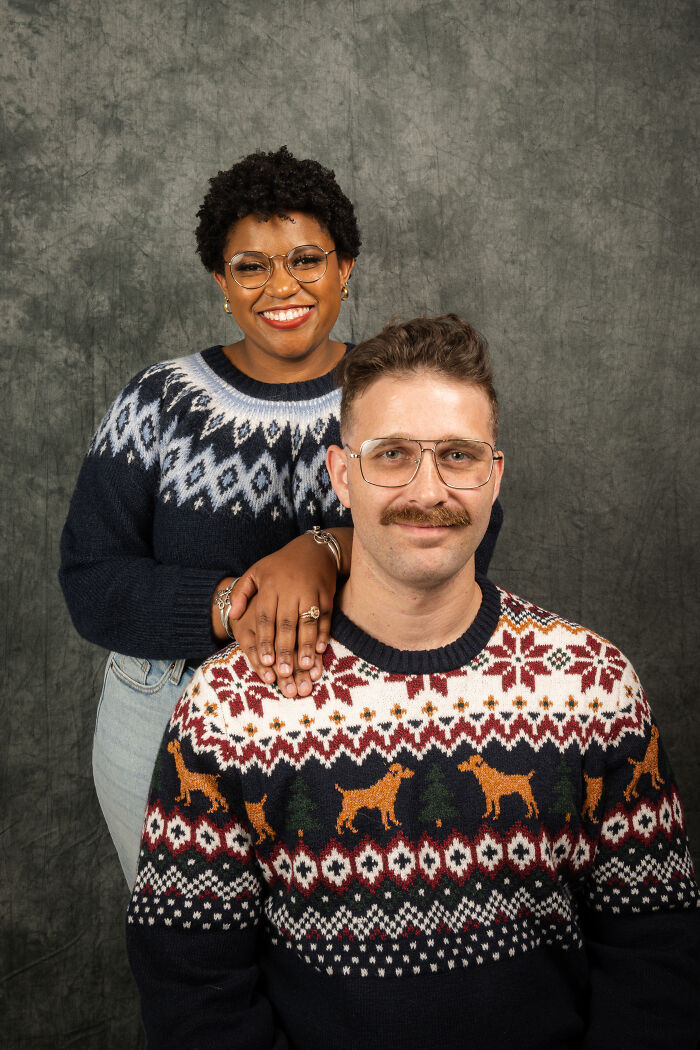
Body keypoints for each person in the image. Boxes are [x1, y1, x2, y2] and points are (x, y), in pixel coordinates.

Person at [126, 314, 699, 1049]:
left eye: (458, 455)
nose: (427, 490)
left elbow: (656, 950)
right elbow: (191, 985)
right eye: (391, 454)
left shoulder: (592, 683)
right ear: (341, 474)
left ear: (495, 474)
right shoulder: (229, 706)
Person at [58, 147, 505, 887]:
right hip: (163, 714)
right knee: (191, 956)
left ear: (346, 267)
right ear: (219, 282)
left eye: (306, 259)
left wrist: (323, 547)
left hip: (366, 713)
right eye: (250, 267)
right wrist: (240, 605)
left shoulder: (396, 390)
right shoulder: (157, 400)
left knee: (331, 965)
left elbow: (467, 539)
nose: (281, 287)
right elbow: (92, 579)